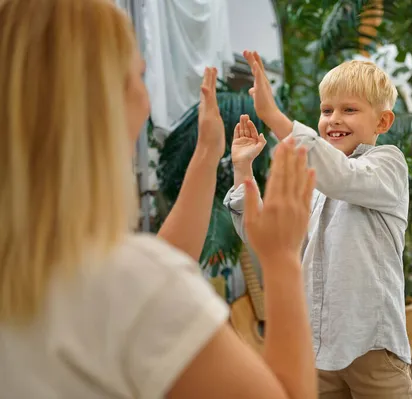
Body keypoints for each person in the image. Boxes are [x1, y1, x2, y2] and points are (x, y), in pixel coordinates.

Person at [0, 0, 317, 398]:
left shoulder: (38, 263)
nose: (146, 102)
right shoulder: (130, 284)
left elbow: (151, 272)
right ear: (99, 106)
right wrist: (283, 259)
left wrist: (206, 153)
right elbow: (145, 284)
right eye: (139, 77)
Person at [224, 51, 412, 398]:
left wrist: (274, 117)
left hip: (372, 347)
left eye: (349, 109)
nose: (333, 119)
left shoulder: (387, 165)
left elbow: (342, 177)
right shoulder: (312, 180)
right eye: (327, 110)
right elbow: (268, 236)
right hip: (316, 349)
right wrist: (243, 169)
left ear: (382, 123)